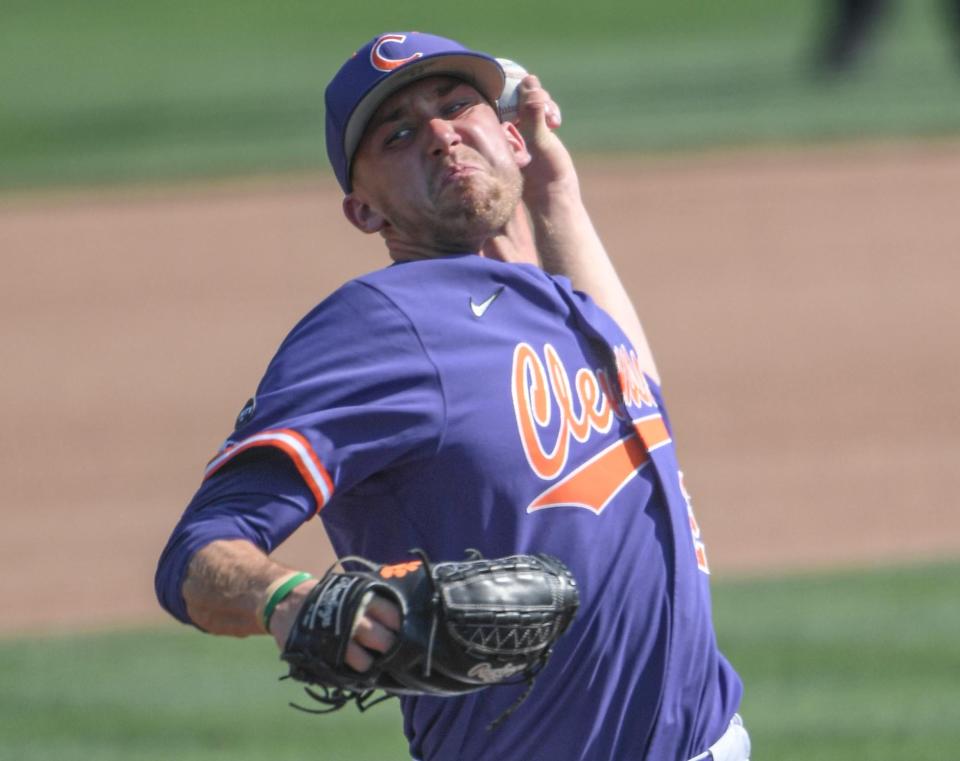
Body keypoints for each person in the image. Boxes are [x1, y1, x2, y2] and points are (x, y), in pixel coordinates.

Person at [155, 31, 749, 761]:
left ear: (509, 136)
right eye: (398, 134)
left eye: (457, 105)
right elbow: (194, 553)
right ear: (365, 211)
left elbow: (637, 388)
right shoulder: (378, 325)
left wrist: (555, 194)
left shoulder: (558, 300)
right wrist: (286, 598)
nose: (440, 135)